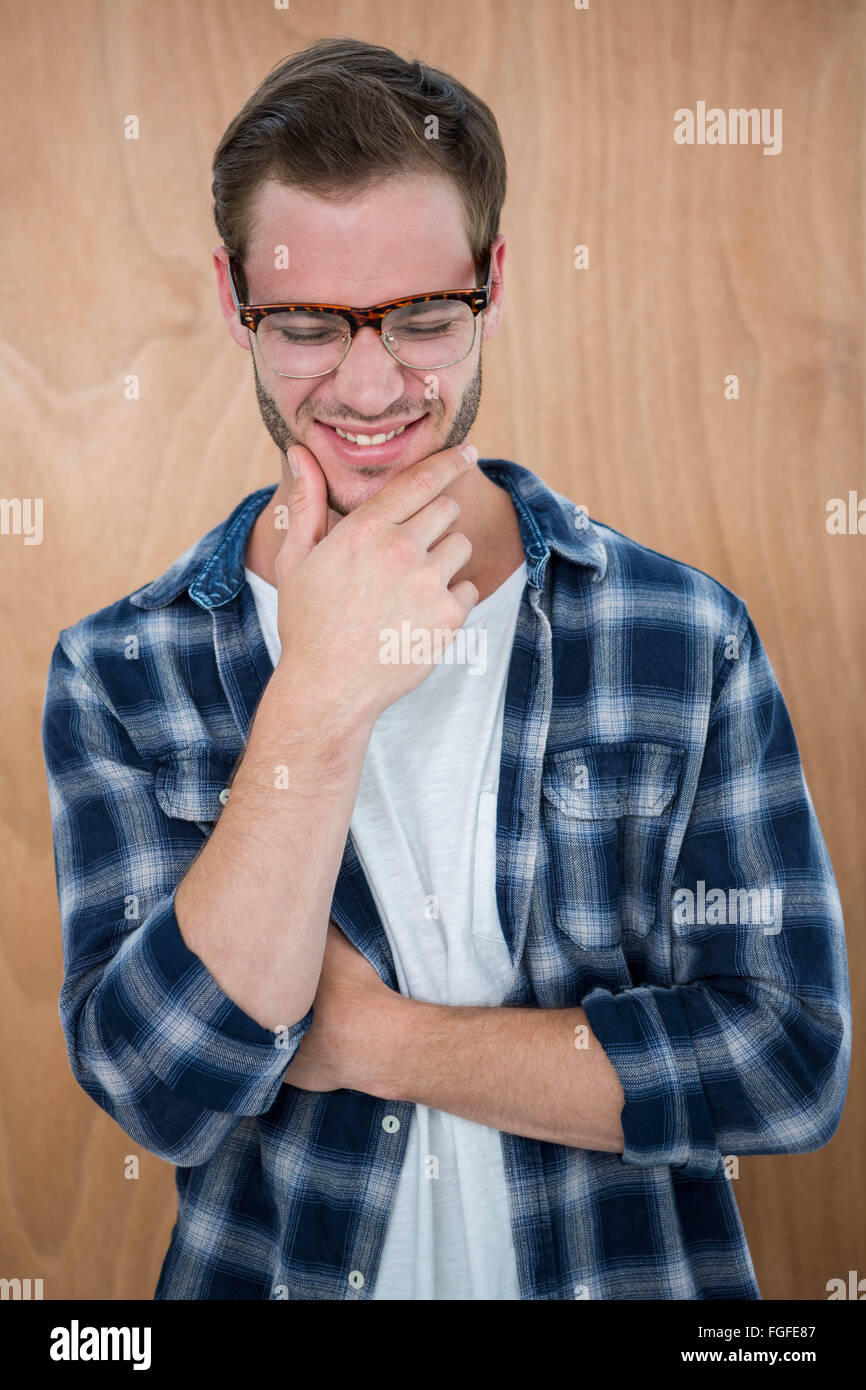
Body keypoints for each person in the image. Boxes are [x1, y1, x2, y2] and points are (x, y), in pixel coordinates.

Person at [42, 37, 851, 1301]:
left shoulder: (680, 636)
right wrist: (314, 699)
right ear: (230, 294)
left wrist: (377, 1041)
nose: (371, 384)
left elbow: (785, 1062)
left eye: (424, 317)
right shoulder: (121, 669)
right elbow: (161, 1088)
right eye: (307, 323)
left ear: (494, 281)